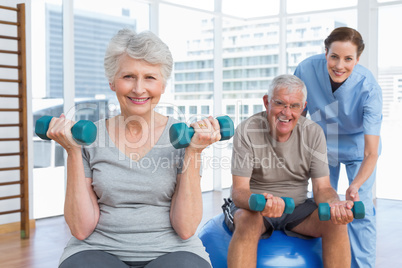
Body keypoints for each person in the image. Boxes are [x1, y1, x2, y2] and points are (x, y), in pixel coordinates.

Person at [50, 29, 219, 268]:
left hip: (172, 250)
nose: (139, 89)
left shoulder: (183, 139)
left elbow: (186, 228)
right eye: (128, 76)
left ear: (162, 85)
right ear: (112, 81)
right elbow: (80, 228)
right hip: (98, 248)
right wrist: (73, 151)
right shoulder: (89, 139)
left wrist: (194, 152)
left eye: (150, 78)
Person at [223, 74, 355, 268]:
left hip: (298, 208)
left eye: (294, 106)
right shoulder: (247, 130)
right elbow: (239, 191)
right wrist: (261, 203)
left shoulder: (313, 133)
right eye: (280, 104)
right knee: (247, 223)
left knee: (336, 223)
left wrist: (335, 205)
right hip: (256, 207)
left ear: (303, 108)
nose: (287, 112)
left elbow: (322, 189)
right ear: (267, 102)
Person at [294, 27, 382, 268]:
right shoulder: (305, 69)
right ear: (325, 53)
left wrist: (355, 185)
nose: (339, 65)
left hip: (357, 149)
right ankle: (327, 260)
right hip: (322, 145)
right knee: (323, 206)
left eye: (348, 59)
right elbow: (297, 119)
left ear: (358, 59)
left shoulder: (368, 87)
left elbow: (371, 152)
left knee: (359, 207)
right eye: (334, 56)